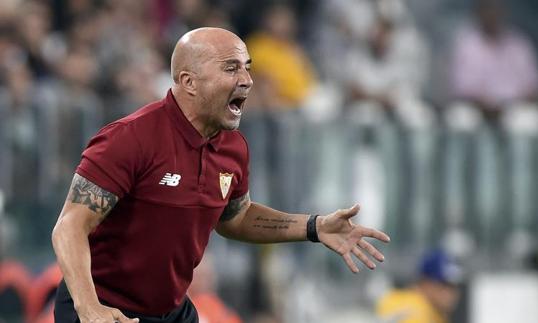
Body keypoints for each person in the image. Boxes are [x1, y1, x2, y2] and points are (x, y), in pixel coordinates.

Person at [51, 27, 390, 323]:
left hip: (171, 311)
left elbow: (235, 217)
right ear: (189, 82)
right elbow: (69, 226)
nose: (247, 80)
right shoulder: (130, 138)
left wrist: (313, 227)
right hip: (106, 310)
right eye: (231, 68)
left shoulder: (234, 148)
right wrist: (89, 309)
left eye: (247, 68)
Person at [376, 249, 462, 323]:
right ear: (425, 282)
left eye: (454, 285)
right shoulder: (412, 308)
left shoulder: (435, 314)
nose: (451, 292)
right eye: (444, 284)